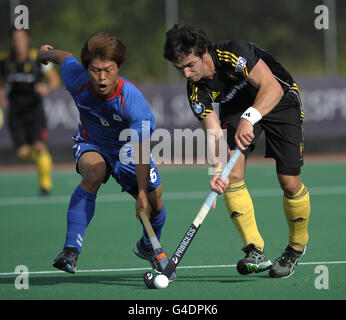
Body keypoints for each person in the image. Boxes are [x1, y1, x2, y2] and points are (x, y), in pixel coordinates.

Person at [163, 22, 311, 278]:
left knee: (289, 183)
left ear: (203, 52)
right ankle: (255, 250)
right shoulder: (196, 91)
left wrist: (249, 117)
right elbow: (213, 134)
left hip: (280, 99)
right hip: (237, 106)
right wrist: (217, 170)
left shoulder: (233, 53)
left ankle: (296, 247)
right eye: (180, 69)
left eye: (189, 65)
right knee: (230, 175)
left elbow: (271, 87)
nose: (186, 74)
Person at [36, 32, 175, 281]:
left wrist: (142, 193)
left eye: (108, 70)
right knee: (94, 172)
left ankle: (147, 245)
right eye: (95, 70)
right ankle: (70, 250)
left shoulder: (133, 101)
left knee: (155, 204)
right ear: (86, 67)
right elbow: (65, 56)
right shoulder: (75, 77)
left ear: (118, 67)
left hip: (129, 149)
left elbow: (142, 148)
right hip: (92, 142)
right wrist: (44, 54)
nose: (101, 78)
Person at [0, 27, 60, 196]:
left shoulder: (37, 58)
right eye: (15, 39)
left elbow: (55, 81)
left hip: (35, 111)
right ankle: (44, 159)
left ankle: (45, 185)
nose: (18, 42)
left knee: (39, 146)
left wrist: (46, 88)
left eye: (21, 38)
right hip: (15, 112)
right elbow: (1, 82)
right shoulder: (5, 61)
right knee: (23, 152)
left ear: (27, 40)